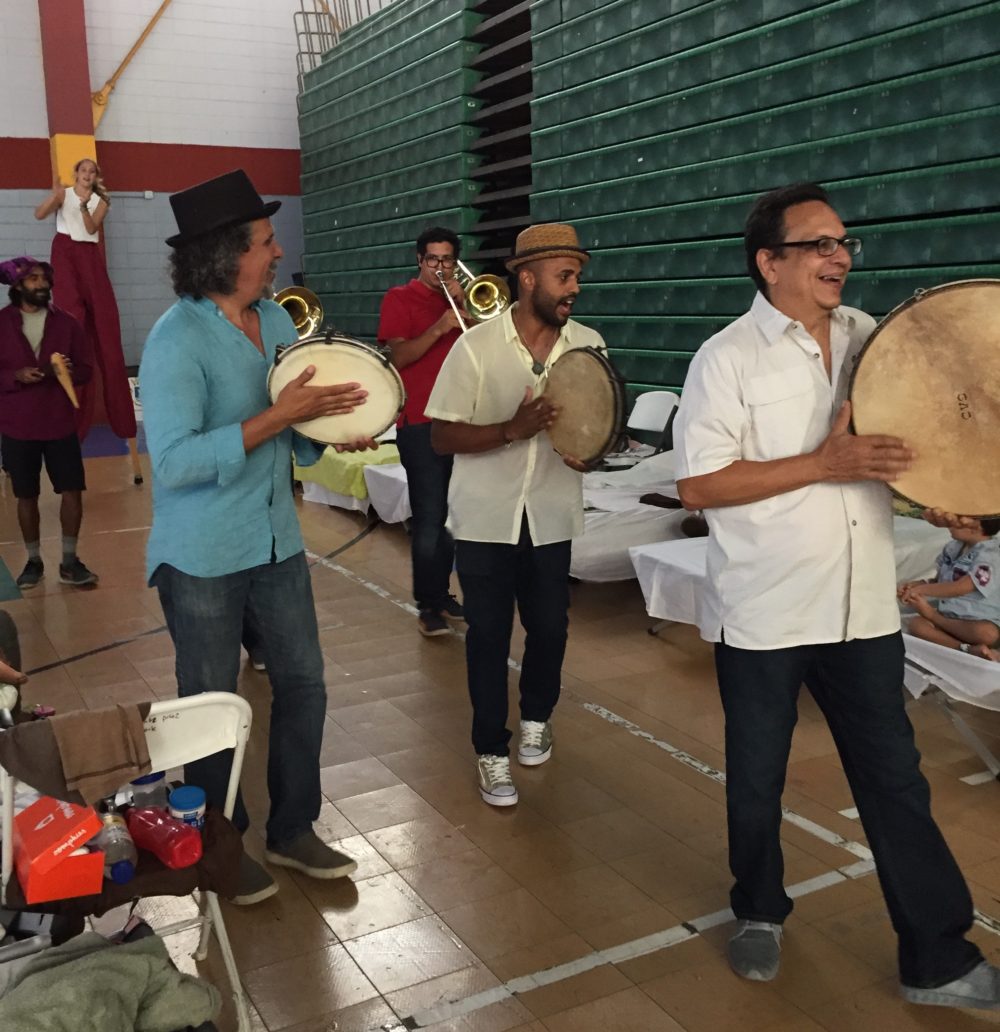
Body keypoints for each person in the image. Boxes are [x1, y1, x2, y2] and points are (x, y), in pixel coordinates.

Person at [674, 182, 1000, 1011]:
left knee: (896, 781)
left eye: (843, 242)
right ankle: (759, 909)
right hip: (767, 608)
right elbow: (700, 486)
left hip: (861, 610)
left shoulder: (870, 337)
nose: (839, 256)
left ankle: (938, 958)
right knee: (758, 780)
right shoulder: (726, 358)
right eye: (818, 244)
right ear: (769, 262)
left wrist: (939, 498)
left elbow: (900, 448)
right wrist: (822, 464)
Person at [140, 169, 375, 905]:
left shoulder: (275, 322)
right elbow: (173, 463)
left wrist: (334, 430)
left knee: (304, 684)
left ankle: (293, 829)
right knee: (212, 707)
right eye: (266, 242)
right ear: (225, 254)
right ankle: (221, 844)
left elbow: (293, 436)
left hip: (276, 542)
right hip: (202, 556)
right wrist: (278, 417)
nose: (278, 253)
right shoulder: (175, 340)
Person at [427, 223, 601, 807]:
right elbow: (442, 437)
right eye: (564, 276)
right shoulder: (474, 347)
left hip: (552, 514)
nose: (574, 287)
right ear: (527, 279)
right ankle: (490, 751)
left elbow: (598, 424)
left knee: (550, 628)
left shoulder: (588, 345)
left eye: (576, 276)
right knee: (488, 636)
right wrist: (512, 428)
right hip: (485, 520)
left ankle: (536, 719)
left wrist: (593, 449)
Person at [378, 227, 466, 637]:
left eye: (447, 259)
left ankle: (442, 593)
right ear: (419, 260)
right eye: (433, 259)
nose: (440, 268)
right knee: (430, 518)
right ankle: (427, 604)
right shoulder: (399, 298)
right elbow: (398, 356)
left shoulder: (464, 300)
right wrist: (441, 326)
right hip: (420, 422)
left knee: (454, 517)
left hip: (463, 421)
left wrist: (466, 310)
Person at [0, 256, 97, 588]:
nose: (42, 284)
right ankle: (33, 562)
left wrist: (67, 371)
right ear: (17, 286)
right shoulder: (1, 323)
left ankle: (70, 561)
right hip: (18, 425)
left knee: (72, 490)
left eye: (44, 278)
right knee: (25, 494)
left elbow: (86, 370)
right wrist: (14, 376)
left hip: (59, 423)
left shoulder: (67, 323)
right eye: (33, 279)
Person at [34, 158, 137, 443]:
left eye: (92, 172)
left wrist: (83, 207)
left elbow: (91, 229)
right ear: (77, 173)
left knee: (105, 326)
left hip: (89, 255)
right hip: (65, 252)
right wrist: (55, 197)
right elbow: (39, 214)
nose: (87, 175)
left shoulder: (100, 201)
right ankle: (70, 422)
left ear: (95, 176)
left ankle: (122, 421)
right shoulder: (64, 194)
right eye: (83, 170)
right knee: (72, 324)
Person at [900, 517, 1000, 661]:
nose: (949, 522)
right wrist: (917, 584)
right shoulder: (952, 548)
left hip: (975, 621)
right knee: (917, 625)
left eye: (957, 519)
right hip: (949, 617)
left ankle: (933, 617)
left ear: (976, 525)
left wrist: (922, 590)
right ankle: (965, 649)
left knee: (987, 633)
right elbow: (939, 580)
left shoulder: (990, 554)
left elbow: (962, 587)